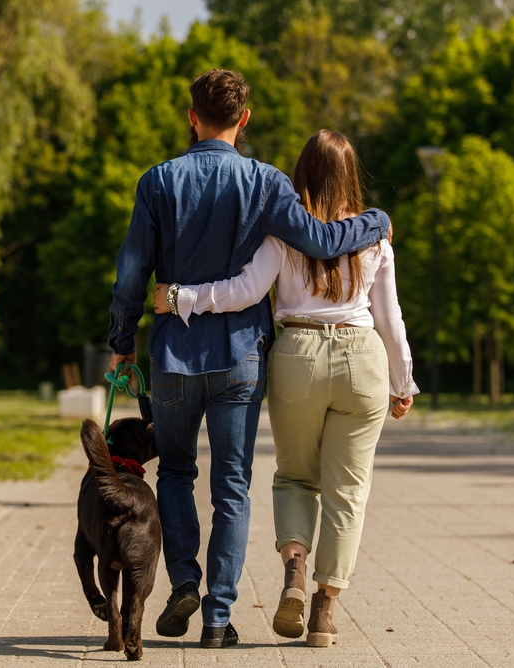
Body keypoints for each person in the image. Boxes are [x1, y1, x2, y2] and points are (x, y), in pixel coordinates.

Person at [107, 70, 389, 649]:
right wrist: (377, 221)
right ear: (245, 119)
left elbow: (132, 271)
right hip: (240, 358)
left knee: (177, 473)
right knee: (232, 485)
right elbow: (323, 241)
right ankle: (218, 617)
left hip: (174, 357)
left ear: (192, 117)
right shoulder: (266, 183)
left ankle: (184, 579)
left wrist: (120, 341)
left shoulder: (158, 182)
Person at [154, 129, 418, 648]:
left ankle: (294, 567)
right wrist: (402, 380)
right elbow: (391, 319)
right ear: (351, 176)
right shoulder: (375, 237)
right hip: (362, 359)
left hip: (297, 357)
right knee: (348, 492)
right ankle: (323, 611)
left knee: (295, 478)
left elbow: (243, 292)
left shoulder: (281, 233)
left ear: (301, 173)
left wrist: (181, 296)